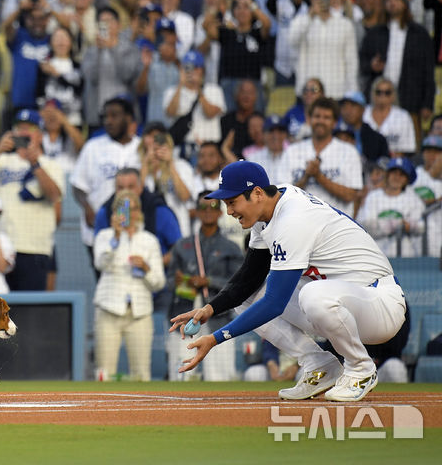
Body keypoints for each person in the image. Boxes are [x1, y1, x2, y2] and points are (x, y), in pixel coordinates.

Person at [170, 161, 407, 401]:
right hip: (342, 302)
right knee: (247, 299)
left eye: (232, 202)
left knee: (312, 295)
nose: (228, 211)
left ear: (257, 194)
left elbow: (275, 303)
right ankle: (319, 365)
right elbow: (249, 277)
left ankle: (360, 368)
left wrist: (215, 338)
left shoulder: (292, 218)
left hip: (379, 303)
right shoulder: (269, 209)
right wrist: (209, 308)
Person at [0, 109, 64, 291]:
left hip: (33, 249)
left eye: (29, 128)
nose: (23, 133)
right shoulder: (2, 160)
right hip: (0, 246)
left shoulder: (51, 164)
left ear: (40, 134)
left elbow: (54, 195)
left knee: (29, 312)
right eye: (19, 128)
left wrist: (35, 164)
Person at [166, 191, 244, 381]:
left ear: (220, 212)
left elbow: (240, 283)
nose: (208, 212)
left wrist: (208, 282)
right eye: (202, 207)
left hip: (219, 317)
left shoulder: (230, 247)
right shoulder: (182, 245)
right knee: (182, 375)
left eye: (213, 207)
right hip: (186, 313)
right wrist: (177, 283)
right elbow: (167, 282)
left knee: (220, 376)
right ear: (196, 212)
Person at [93, 189, 165, 381]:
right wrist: (116, 238)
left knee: (141, 373)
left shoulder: (149, 240)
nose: (128, 214)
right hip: (109, 310)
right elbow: (101, 264)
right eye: (123, 208)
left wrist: (146, 268)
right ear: (115, 212)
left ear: (139, 211)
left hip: (139, 313)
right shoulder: (104, 236)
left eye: (133, 209)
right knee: (104, 372)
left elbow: (159, 282)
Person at [359, 0, 435, 139]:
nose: (392, 3)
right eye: (389, 0)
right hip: (380, 98)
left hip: (411, 99)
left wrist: (427, 103)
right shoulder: (375, 33)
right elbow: (362, 62)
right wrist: (372, 66)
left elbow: (428, 71)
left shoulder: (420, 34)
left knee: (410, 140)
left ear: (405, 3)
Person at [70, 96, 141, 254]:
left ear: (128, 118)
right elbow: (78, 186)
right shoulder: (93, 147)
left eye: (114, 116)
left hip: (134, 228)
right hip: (100, 225)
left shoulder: (141, 148)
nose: (108, 121)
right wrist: (87, 207)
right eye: (105, 117)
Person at [281, 97, 363, 216]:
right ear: (309, 119)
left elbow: (350, 195)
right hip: (301, 222)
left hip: (336, 225)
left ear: (334, 123)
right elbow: (282, 196)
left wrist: (319, 176)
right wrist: (306, 177)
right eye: (317, 116)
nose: (321, 121)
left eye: (326, 117)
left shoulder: (348, 152)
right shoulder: (292, 151)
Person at [203, 0, 271, 112]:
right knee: (228, 120)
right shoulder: (227, 33)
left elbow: (267, 23)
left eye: (246, 7)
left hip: (253, 85)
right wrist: (217, 3)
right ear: (233, 11)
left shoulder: (257, 33)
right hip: (229, 86)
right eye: (238, 7)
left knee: (255, 121)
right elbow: (206, 25)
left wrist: (251, 3)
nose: (242, 11)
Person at [289, 0, 358, 100]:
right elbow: (292, 41)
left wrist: (352, 93)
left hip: (336, 94)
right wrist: (310, 16)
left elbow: (351, 62)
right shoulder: (300, 21)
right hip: (308, 94)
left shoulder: (345, 25)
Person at [80, 6, 142, 131]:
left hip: (124, 114)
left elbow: (127, 75)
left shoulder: (130, 49)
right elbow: (91, 78)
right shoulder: (91, 51)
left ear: (118, 25)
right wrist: (99, 51)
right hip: (98, 114)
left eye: (109, 21)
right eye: (102, 22)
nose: (106, 25)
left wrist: (112, 49)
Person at [357, 157, 425, 257]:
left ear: (407, 180)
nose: (397, 177)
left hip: (406, 257)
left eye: (401, 175)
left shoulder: (413, 199)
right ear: (387, 175)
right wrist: (396, 225)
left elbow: (421, 226)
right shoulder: (373, 197)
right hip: (376, 256)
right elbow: (366, 225)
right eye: (394, 173)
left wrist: (409, 226)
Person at [163, 50, 225, 156]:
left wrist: (198, 88)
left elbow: (210, 113)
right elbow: (170, 112)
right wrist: (180, 85)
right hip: (183, 147)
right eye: (187, 68)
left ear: (202, 70)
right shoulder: (171, 91)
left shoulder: (214, 90)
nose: (191, 72)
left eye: (195, 68)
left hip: (209, 149)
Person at [138, 124, 193, 237]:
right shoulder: (138, 169)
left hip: (178, 229)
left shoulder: (181, 166)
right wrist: (145, 164)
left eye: (159, 144)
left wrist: (170, 165)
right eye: (151, 145)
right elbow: (135, 196)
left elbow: (185, 196)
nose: (156, 149)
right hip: (146, 231)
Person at [3, 0, 51, 111]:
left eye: (41, 18)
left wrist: (51, 10)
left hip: (45, 102)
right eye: (32, 18)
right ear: (26, 20)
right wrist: (20, 9)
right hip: (20, 100)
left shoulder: (52, 39)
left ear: (47, 20)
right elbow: (5, 26)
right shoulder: (20, 36)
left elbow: (68, 29)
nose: (37, 22)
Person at [35, 26, 84, 127]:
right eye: (57, 38)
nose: (61, 42)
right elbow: (39, 93)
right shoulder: (44, 66)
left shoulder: (78, 66)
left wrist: (56, 74)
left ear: (71, 42)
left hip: (73, 119)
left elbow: (79, 88)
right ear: (51, 43)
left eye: (64, 38)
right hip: (49, 121)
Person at [362, 77, 417, 156]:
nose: (382, 96)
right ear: (373, 94)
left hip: (393, 163)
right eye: (378, 92)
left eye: (387, 93)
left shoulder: (403, 116)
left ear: (393, 96)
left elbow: (408, 149)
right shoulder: (364, 113)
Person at [266, 0, 309, 86]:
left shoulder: (309, 6)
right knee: (282, 100)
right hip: (282, 67)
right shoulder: (281, 3)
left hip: (303, 66)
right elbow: (269, 4)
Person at [338, 90, 390, 164]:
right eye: (344, 106)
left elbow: (383, 165)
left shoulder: (377, 139)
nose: (348, 111)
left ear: (363, 109)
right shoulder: (334, 135)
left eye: (353, 105)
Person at [413, 135, 442, 257]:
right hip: (418, 231)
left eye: (436, 151)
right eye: (428, 151)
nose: (432, 155)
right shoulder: (414, 175)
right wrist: (433, 201)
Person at [246, 114, 290, 185]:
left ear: (286, 134)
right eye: (271, 131)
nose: (276, 136)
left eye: (280, 131)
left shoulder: (295, 156)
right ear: (263, 134)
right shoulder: (253, 160)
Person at [283, 77, 325, 142]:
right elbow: (281, 133)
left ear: (322, 94)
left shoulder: (328, 114)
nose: (309, 93)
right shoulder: (292, 112)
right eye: (305, 90)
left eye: (314, 89)